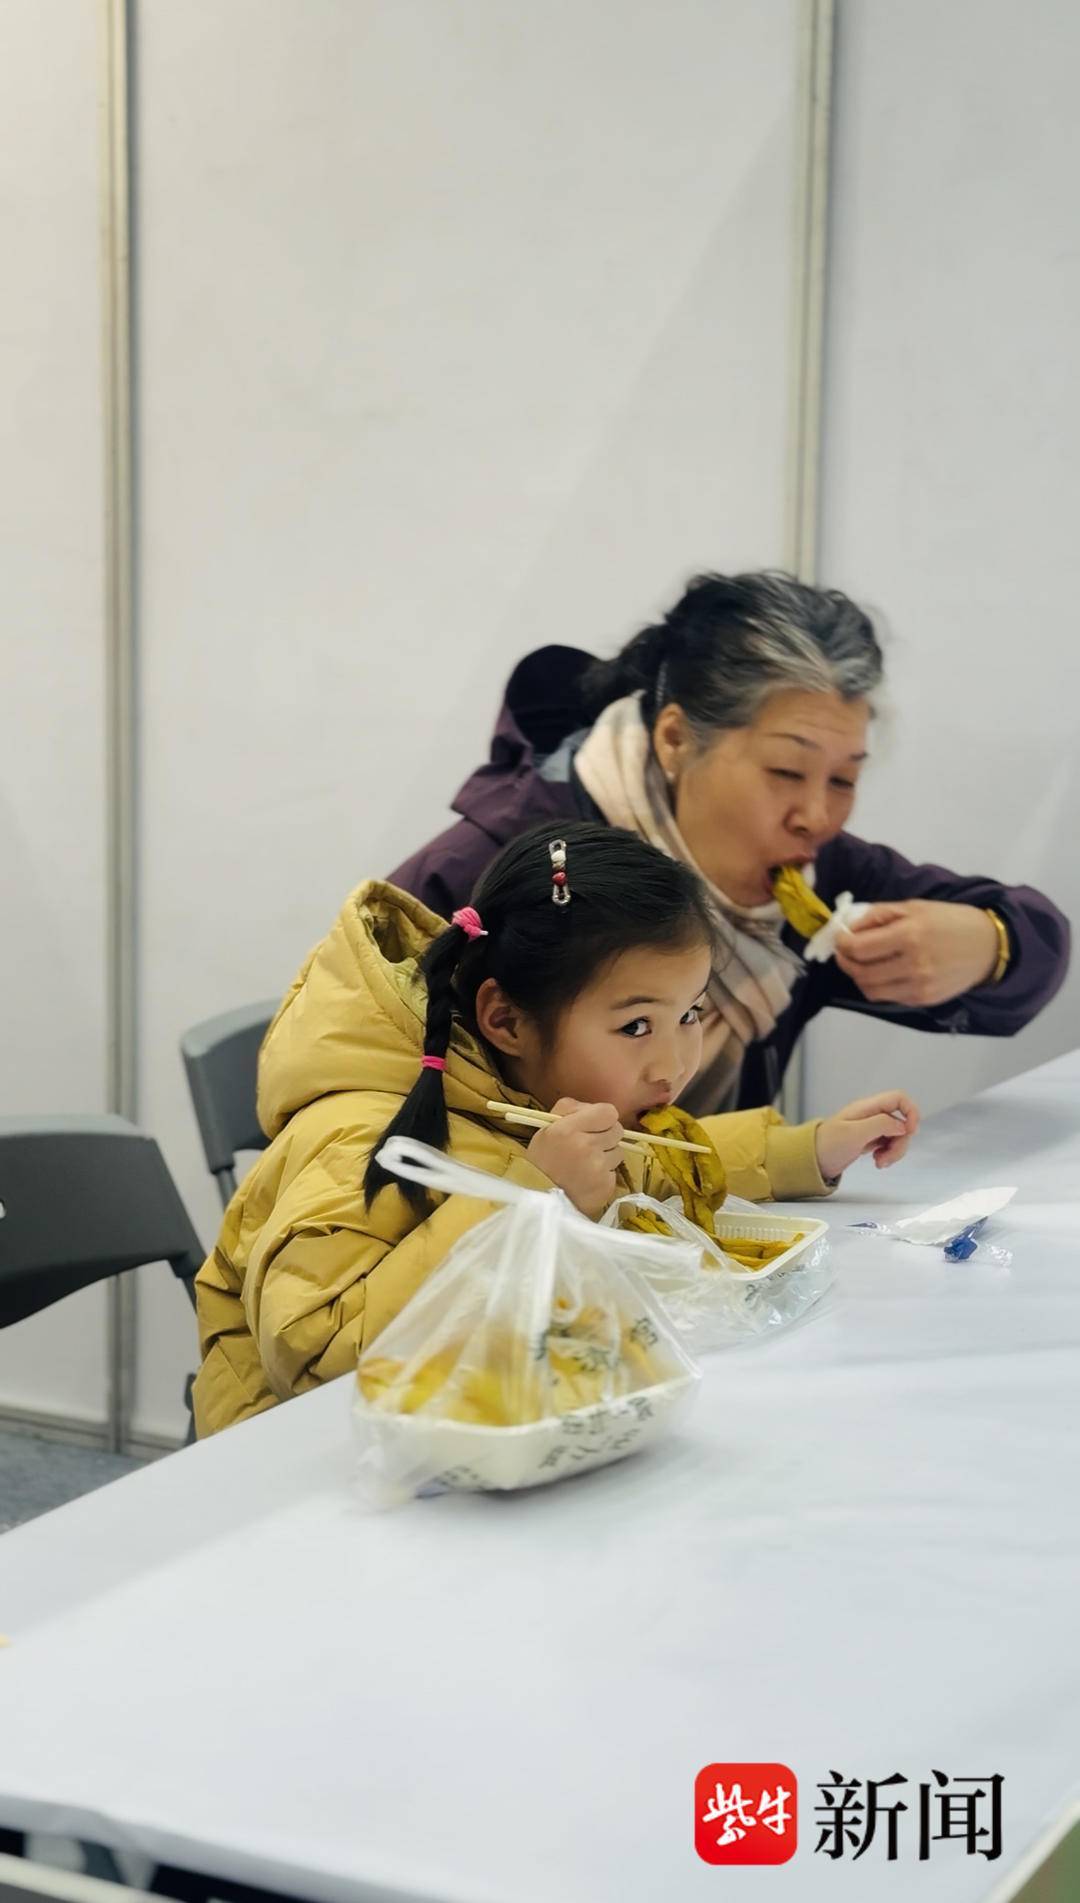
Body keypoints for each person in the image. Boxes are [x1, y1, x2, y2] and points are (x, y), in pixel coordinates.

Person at [193, 824, 918, 1436]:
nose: (675, 1062)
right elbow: (316, 1354)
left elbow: (646, 1162)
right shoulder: (359, 1133)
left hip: (460, 1438)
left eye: (691, 1014)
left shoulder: (540, 1093)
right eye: (636, 1025)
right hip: (290, 1485)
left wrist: (810, 1148)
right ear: (505, 1019)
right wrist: (533, 1196)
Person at [390, 571, 1070, 1113]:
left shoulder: (809, 877)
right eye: (784, 771)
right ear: (677, 739)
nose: (816, 816)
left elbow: (1038, 942)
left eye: (843, 778)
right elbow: (339, 1091)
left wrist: (989, 944)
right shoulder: (490, 872)